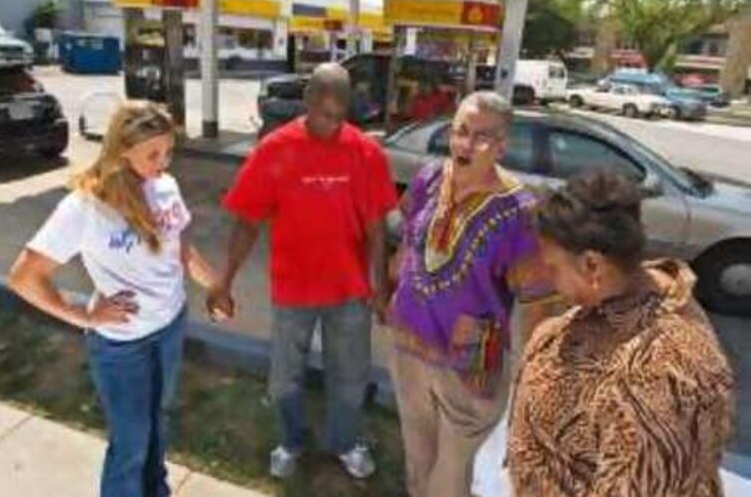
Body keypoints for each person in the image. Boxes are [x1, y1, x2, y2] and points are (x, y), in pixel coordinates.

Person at [8, 101, 223, 497]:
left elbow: (180, 245)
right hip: (123, 345)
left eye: (169, 152)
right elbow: (24, 276)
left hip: (170, 326)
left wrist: (213, 285)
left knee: (158, 423)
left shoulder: (166, 186)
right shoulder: (86, 206)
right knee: (131, 444)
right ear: (122, 149)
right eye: (153, 154)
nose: (164, 163)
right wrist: (82, 317)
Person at [208, 62, 398, 480]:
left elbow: (375, 229)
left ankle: (345, 442)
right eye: (324, 113)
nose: (332, 124)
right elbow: (247, 221)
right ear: (308, 101)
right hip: (293, 290)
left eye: (340, 115)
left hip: (349, 292)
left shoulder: (366, 152)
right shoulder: (275, 148)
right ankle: (291, 441)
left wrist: (380, 287)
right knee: (284, 377)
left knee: (350, 375)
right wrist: (225, 279)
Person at [507, 169, 735, 496]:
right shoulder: (607, 301)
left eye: (553, 266)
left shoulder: (664, 376)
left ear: (592, 265)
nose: (545, 277)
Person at [388, 91, 556, 497]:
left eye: (481, 137)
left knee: (450, 473)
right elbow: (409, 238)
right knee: (418, 454)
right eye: (461, 131)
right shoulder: (429, 177)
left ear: (502, 146)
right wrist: (393, 284)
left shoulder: (519, 212)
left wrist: (531, 382)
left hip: (468, 365)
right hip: (408, 343)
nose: (466, 143)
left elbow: (538, 303)